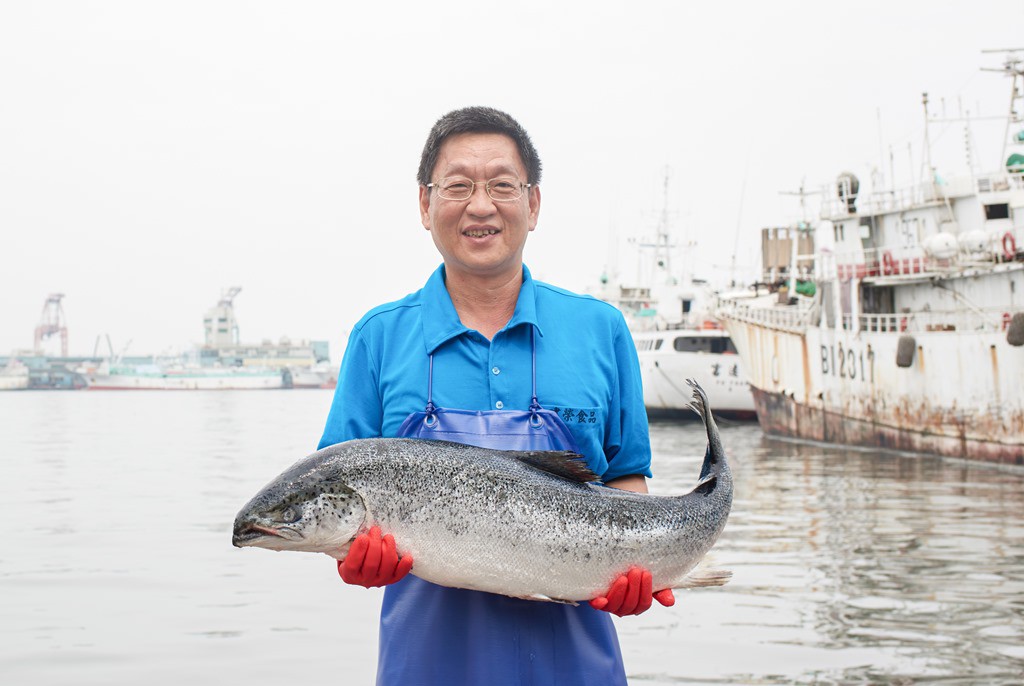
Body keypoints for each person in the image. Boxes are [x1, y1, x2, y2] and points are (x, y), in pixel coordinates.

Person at [318, 106, 674, 685]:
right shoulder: (378, 338)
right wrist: (350, 562)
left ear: (533, 205)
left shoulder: (601, 330)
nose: (480, 205)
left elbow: (628, 483)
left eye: (501, 186)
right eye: (457, 185)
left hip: (578, 668)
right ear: (424, 204)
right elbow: (339, 500)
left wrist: (638, 568)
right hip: (424, 668)